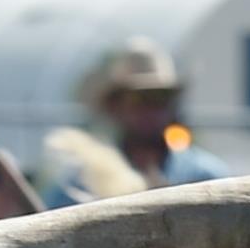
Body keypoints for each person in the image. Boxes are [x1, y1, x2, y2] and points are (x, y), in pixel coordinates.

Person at [65, 39, 230, 204]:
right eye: (139, 98)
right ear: (116, 106)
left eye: (161, 97)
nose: (151, 108)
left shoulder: (206, 178)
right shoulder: (84, 182)